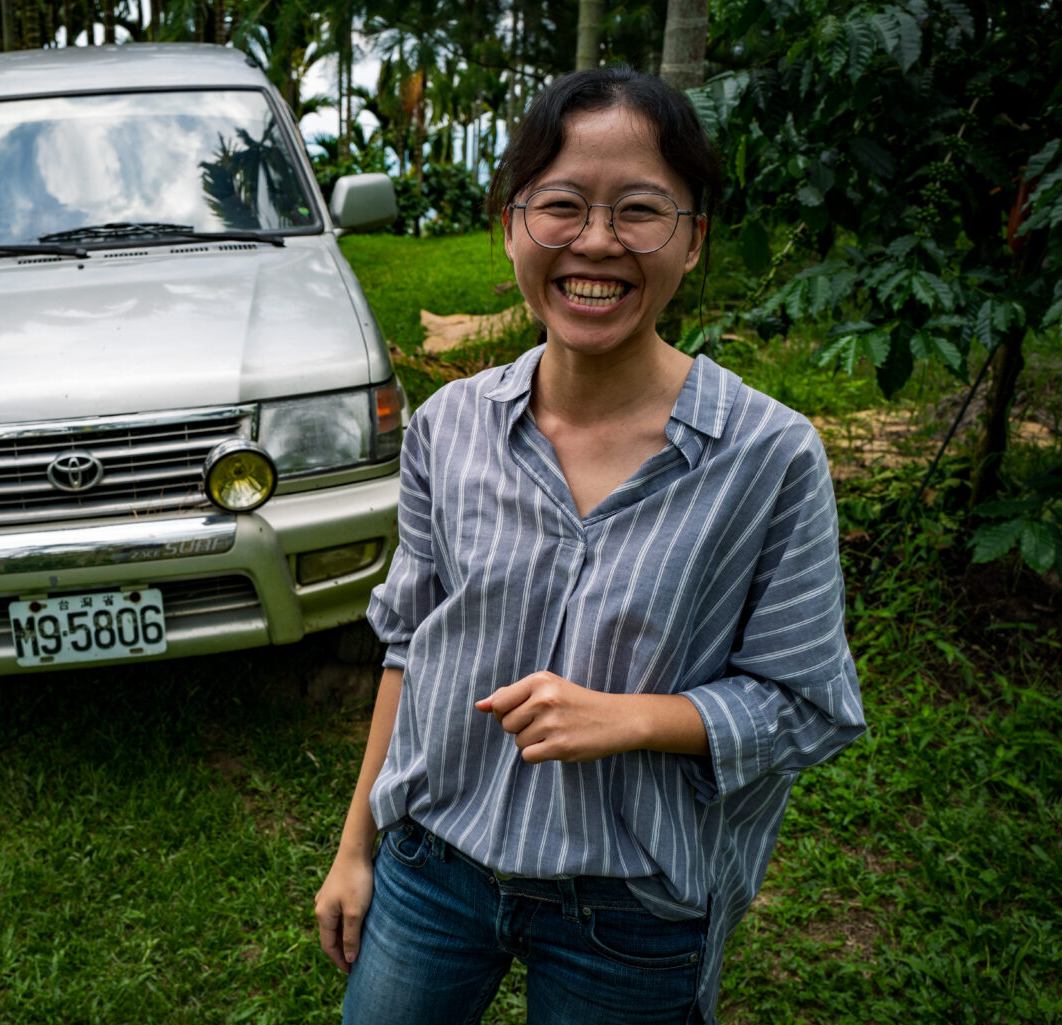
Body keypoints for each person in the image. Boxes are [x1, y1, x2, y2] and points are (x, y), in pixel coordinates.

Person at [314, 65, 866, 1025]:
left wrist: (637, 718)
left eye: (642, 211)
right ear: (512, 223)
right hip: (434, 865)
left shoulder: (770, 457)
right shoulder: (448, 427)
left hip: (634, 905)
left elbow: (808, 704)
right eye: (561, 205)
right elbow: (409, 646)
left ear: (694, 239)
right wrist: (354, 846)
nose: (598, 242)